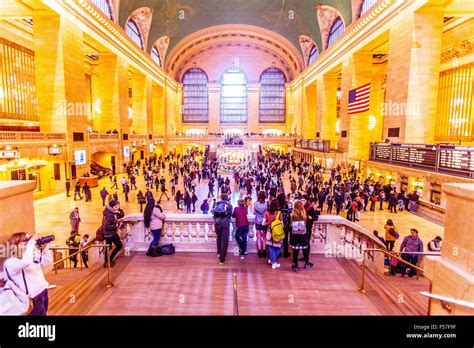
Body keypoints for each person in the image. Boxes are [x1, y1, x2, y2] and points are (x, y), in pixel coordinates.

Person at [3, 232, 53, 315]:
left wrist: (45, 248)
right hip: (32, 298)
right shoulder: (10, 262)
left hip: (43, 291)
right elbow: (26, 262)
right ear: (15, 245)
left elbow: (48, 262)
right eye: (25, 241)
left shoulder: (32, 255)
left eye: (29, 240)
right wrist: (32, 241)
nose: (28, 243)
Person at [290, 200, 312, 272]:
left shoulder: (292, 216)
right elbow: (308, 225)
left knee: (295, 252)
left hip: (295, 237)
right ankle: (306, 263)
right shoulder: (305, 216)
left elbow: (290, 226)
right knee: (304, 251)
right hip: (303, 236)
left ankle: (296, 266)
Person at [212, 193, 233, 266]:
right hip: (225, 224)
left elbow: (213, 212)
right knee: (224, 240)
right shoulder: (229, 205)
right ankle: (222, 259)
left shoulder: (216, 204)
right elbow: (230, 214)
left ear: (221, 198)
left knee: (219, 238)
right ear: (227, 198)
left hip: (217, 224)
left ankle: (218, 253)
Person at [263, 199, 284, 269]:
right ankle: (273, 262)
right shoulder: (279, 213)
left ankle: (272, 259)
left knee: (270, 247)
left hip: (269, 231)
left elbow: (263, 223)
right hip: (277, 232)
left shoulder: (267, 213)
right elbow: (282, 225)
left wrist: (269, 223)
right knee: (279, 247)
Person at [102, 200, 123, 267]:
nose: (117, 207)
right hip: (110, 234)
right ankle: (109, 261)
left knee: (108, 247)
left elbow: (110, 222)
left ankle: (106, 262)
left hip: (107, 234)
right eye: (115, 206)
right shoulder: (110, 215)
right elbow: (107, 226)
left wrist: (116, 221)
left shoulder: (108, 211)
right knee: (119, 245)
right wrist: (116, 225)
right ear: (112, 206)